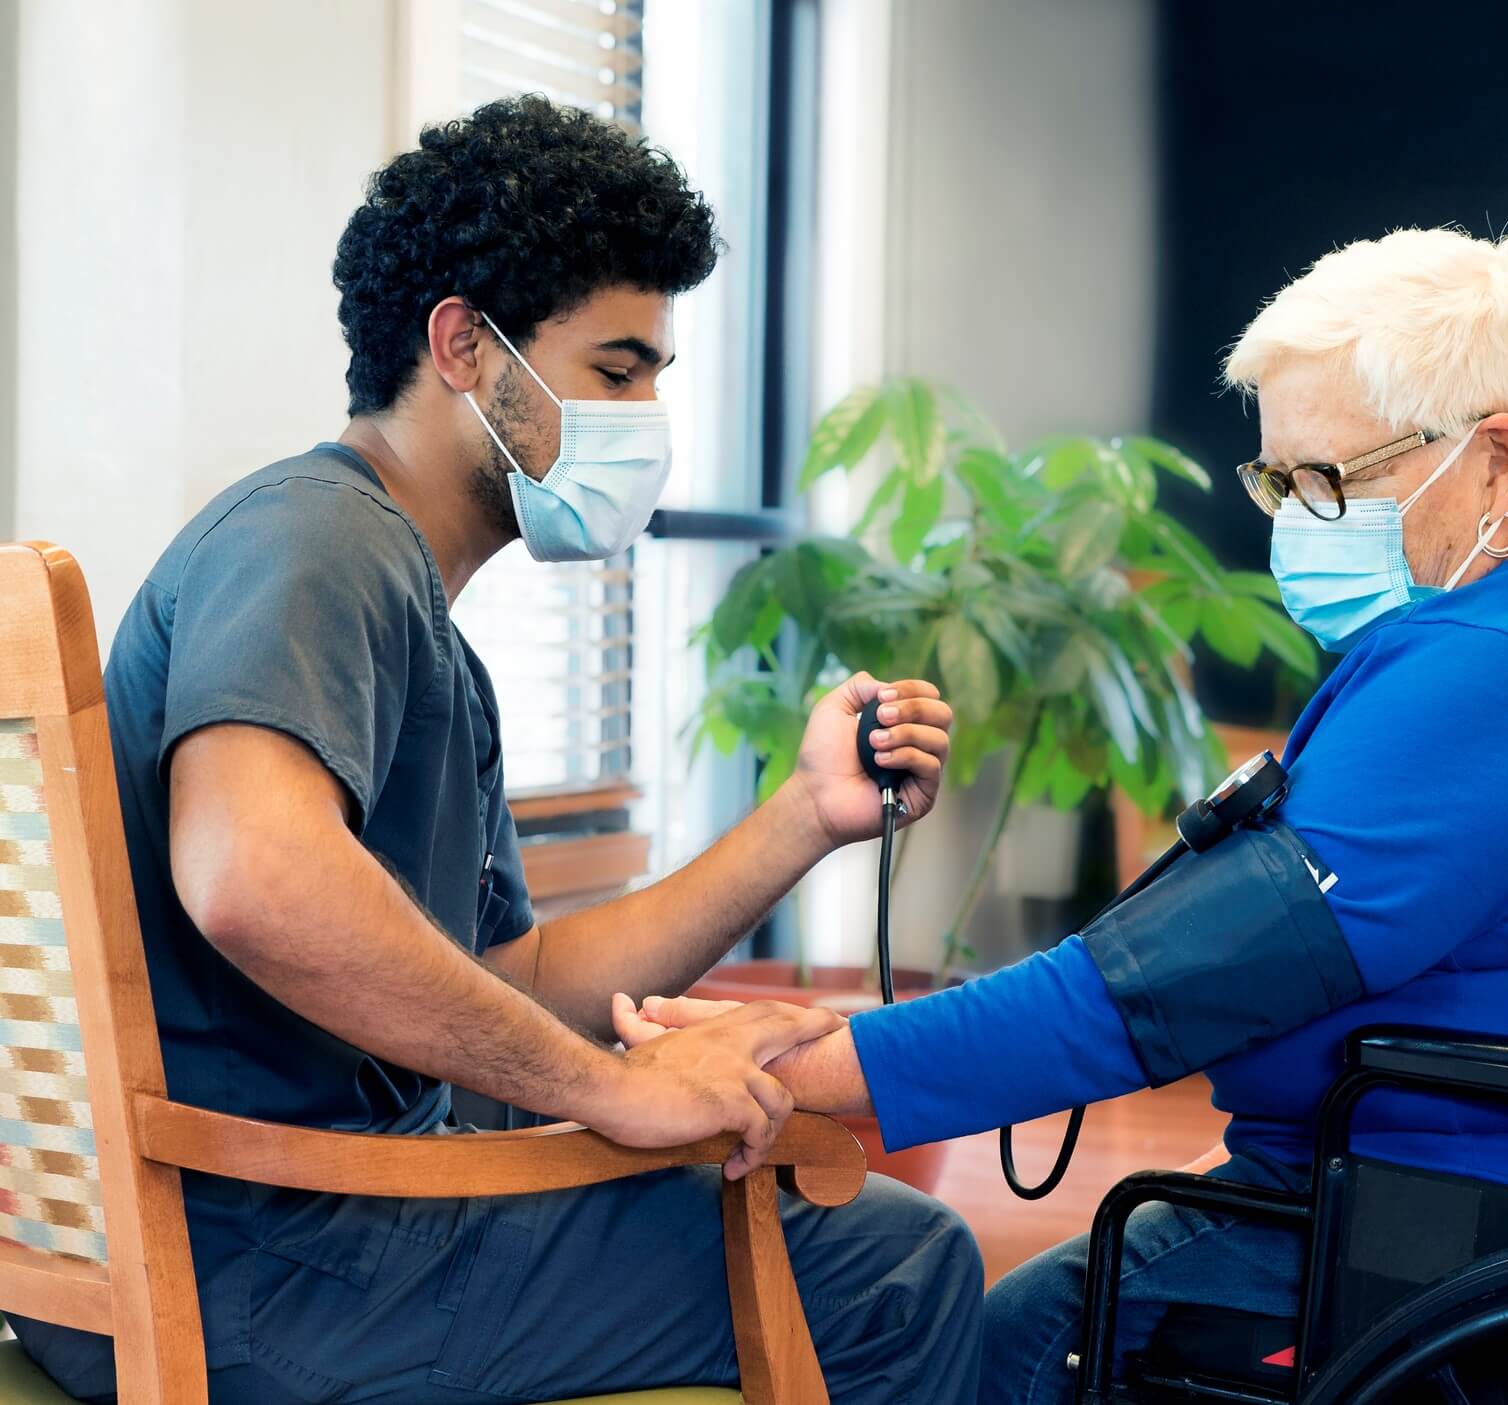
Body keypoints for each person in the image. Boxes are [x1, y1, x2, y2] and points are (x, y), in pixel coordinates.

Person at [621, 227, 1508, 1404]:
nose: (1296, 523)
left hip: (1447, 1248)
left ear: (1494, 458)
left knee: (993, 1345)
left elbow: (1162, 990)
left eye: (1329, 482)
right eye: (1278, 480)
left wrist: (788, 1068)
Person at [11, 96, 982, 1404]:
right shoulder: (317, 539)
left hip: (256, 1253)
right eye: (618, 368)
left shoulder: (409, 616)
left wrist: (802, 814)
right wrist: (611, 1089)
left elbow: (505, 980)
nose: (645, 415)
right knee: (892, 1264)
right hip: (275, 1262)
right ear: (465, 348)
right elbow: (250, 873)